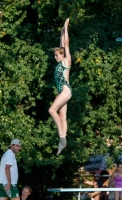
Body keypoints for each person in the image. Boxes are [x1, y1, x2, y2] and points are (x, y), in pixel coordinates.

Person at [48, 18, 72, 156]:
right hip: (61, 91)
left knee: (52, 110)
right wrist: (62, 30)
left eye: (56, 55)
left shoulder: (66, 61)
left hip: (65, 90)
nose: (55, 57)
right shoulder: (59, 62)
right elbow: (62, 42)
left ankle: (62, 138)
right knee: (62, 116)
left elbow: (66, 44)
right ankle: (63, 140)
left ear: (62, 56)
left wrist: (66, 27)